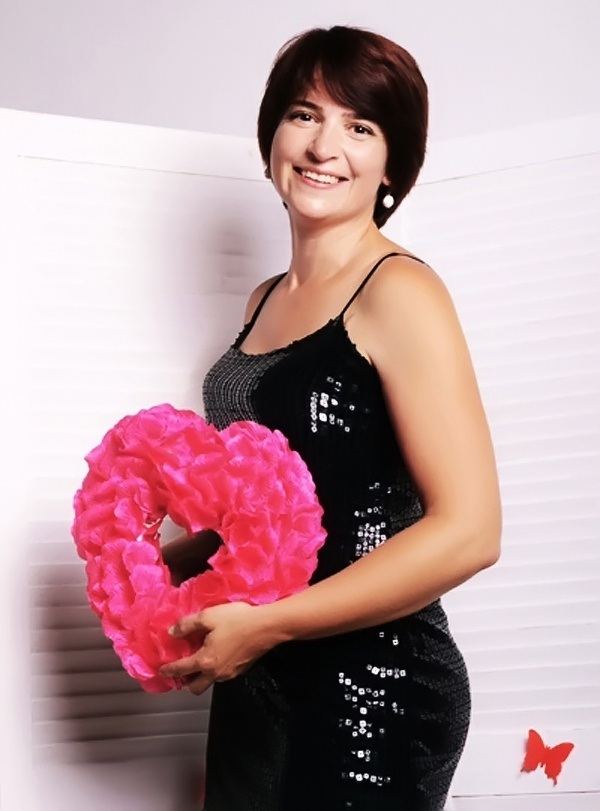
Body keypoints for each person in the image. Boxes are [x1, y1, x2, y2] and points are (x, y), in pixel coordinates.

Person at [160, 25, 501, 811]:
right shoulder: (262, 301)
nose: (324, 146)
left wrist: (271, 624)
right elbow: (286, 508)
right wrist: (159, 567)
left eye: (360, 126)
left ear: (393, 164)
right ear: (272, 137)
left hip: (372, 688)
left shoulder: (400, 291)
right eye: (305, 115)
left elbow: (471, 529)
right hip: (259, 671)